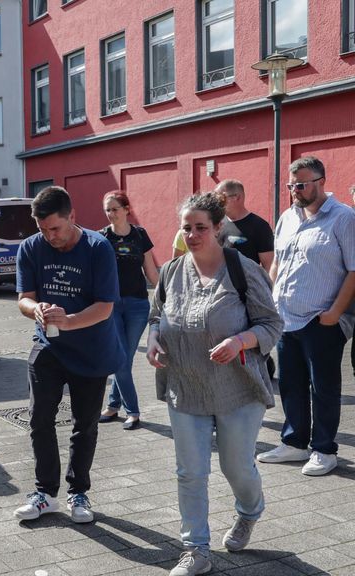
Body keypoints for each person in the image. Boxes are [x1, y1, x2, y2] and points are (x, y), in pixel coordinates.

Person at [147, 192, 283, 576]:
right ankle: (195, 549)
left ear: (219, 228)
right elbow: (156, 315)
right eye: (186, 227)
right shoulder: (173, 271)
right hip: (186, 386)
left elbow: (272, 324)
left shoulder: (242, 270)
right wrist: (155, 338)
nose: (191, 234)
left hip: (237, 389)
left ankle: (249, 511)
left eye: (200, 227)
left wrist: (241, 340)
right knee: (190, 471)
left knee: (236, 467)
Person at [14, 186, 123, 524]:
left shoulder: (98, 248)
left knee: (85, 425)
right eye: (42, 229)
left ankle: (79, 493)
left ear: (72, 217)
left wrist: (71, 320)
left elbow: (105, 307)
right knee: (39, 420)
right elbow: (23, 298)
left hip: (91, 350)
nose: (49, 236)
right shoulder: (31, 248)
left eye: (55, 229)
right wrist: (36, 310)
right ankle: (45, 493)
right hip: (48, 346)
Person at [258, 156, 355, 477]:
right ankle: (295, 442)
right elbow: (277, 263)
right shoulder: (287, 217)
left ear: (321, 181)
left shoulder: (343, 218)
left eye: (301, 184)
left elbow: (354, 270)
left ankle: (324, 450)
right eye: (291, 185)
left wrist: (335, 313)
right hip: (287, 318)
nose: (295, 190)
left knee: (323, 387)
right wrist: (272, 301)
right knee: (290, 384)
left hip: (321, 321)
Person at [99, 191, 159, 430]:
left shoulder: (140, 235)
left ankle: (113, 405)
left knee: (125, 358)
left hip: (137, 305)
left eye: (115, 209)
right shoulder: (102, 238)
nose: (111, 214)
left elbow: (151, 272)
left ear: (126, 209)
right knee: (121, 360)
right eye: (107, 210)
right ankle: (132, 411)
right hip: (110, 306)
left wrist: (165, 297)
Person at [215, 179, 274, 272]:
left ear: (237, 197)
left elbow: (269, 266)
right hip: (217, 284)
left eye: (220, 198)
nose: (217, 203)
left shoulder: (259, 226)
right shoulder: (217, 223)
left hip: (246, 285)